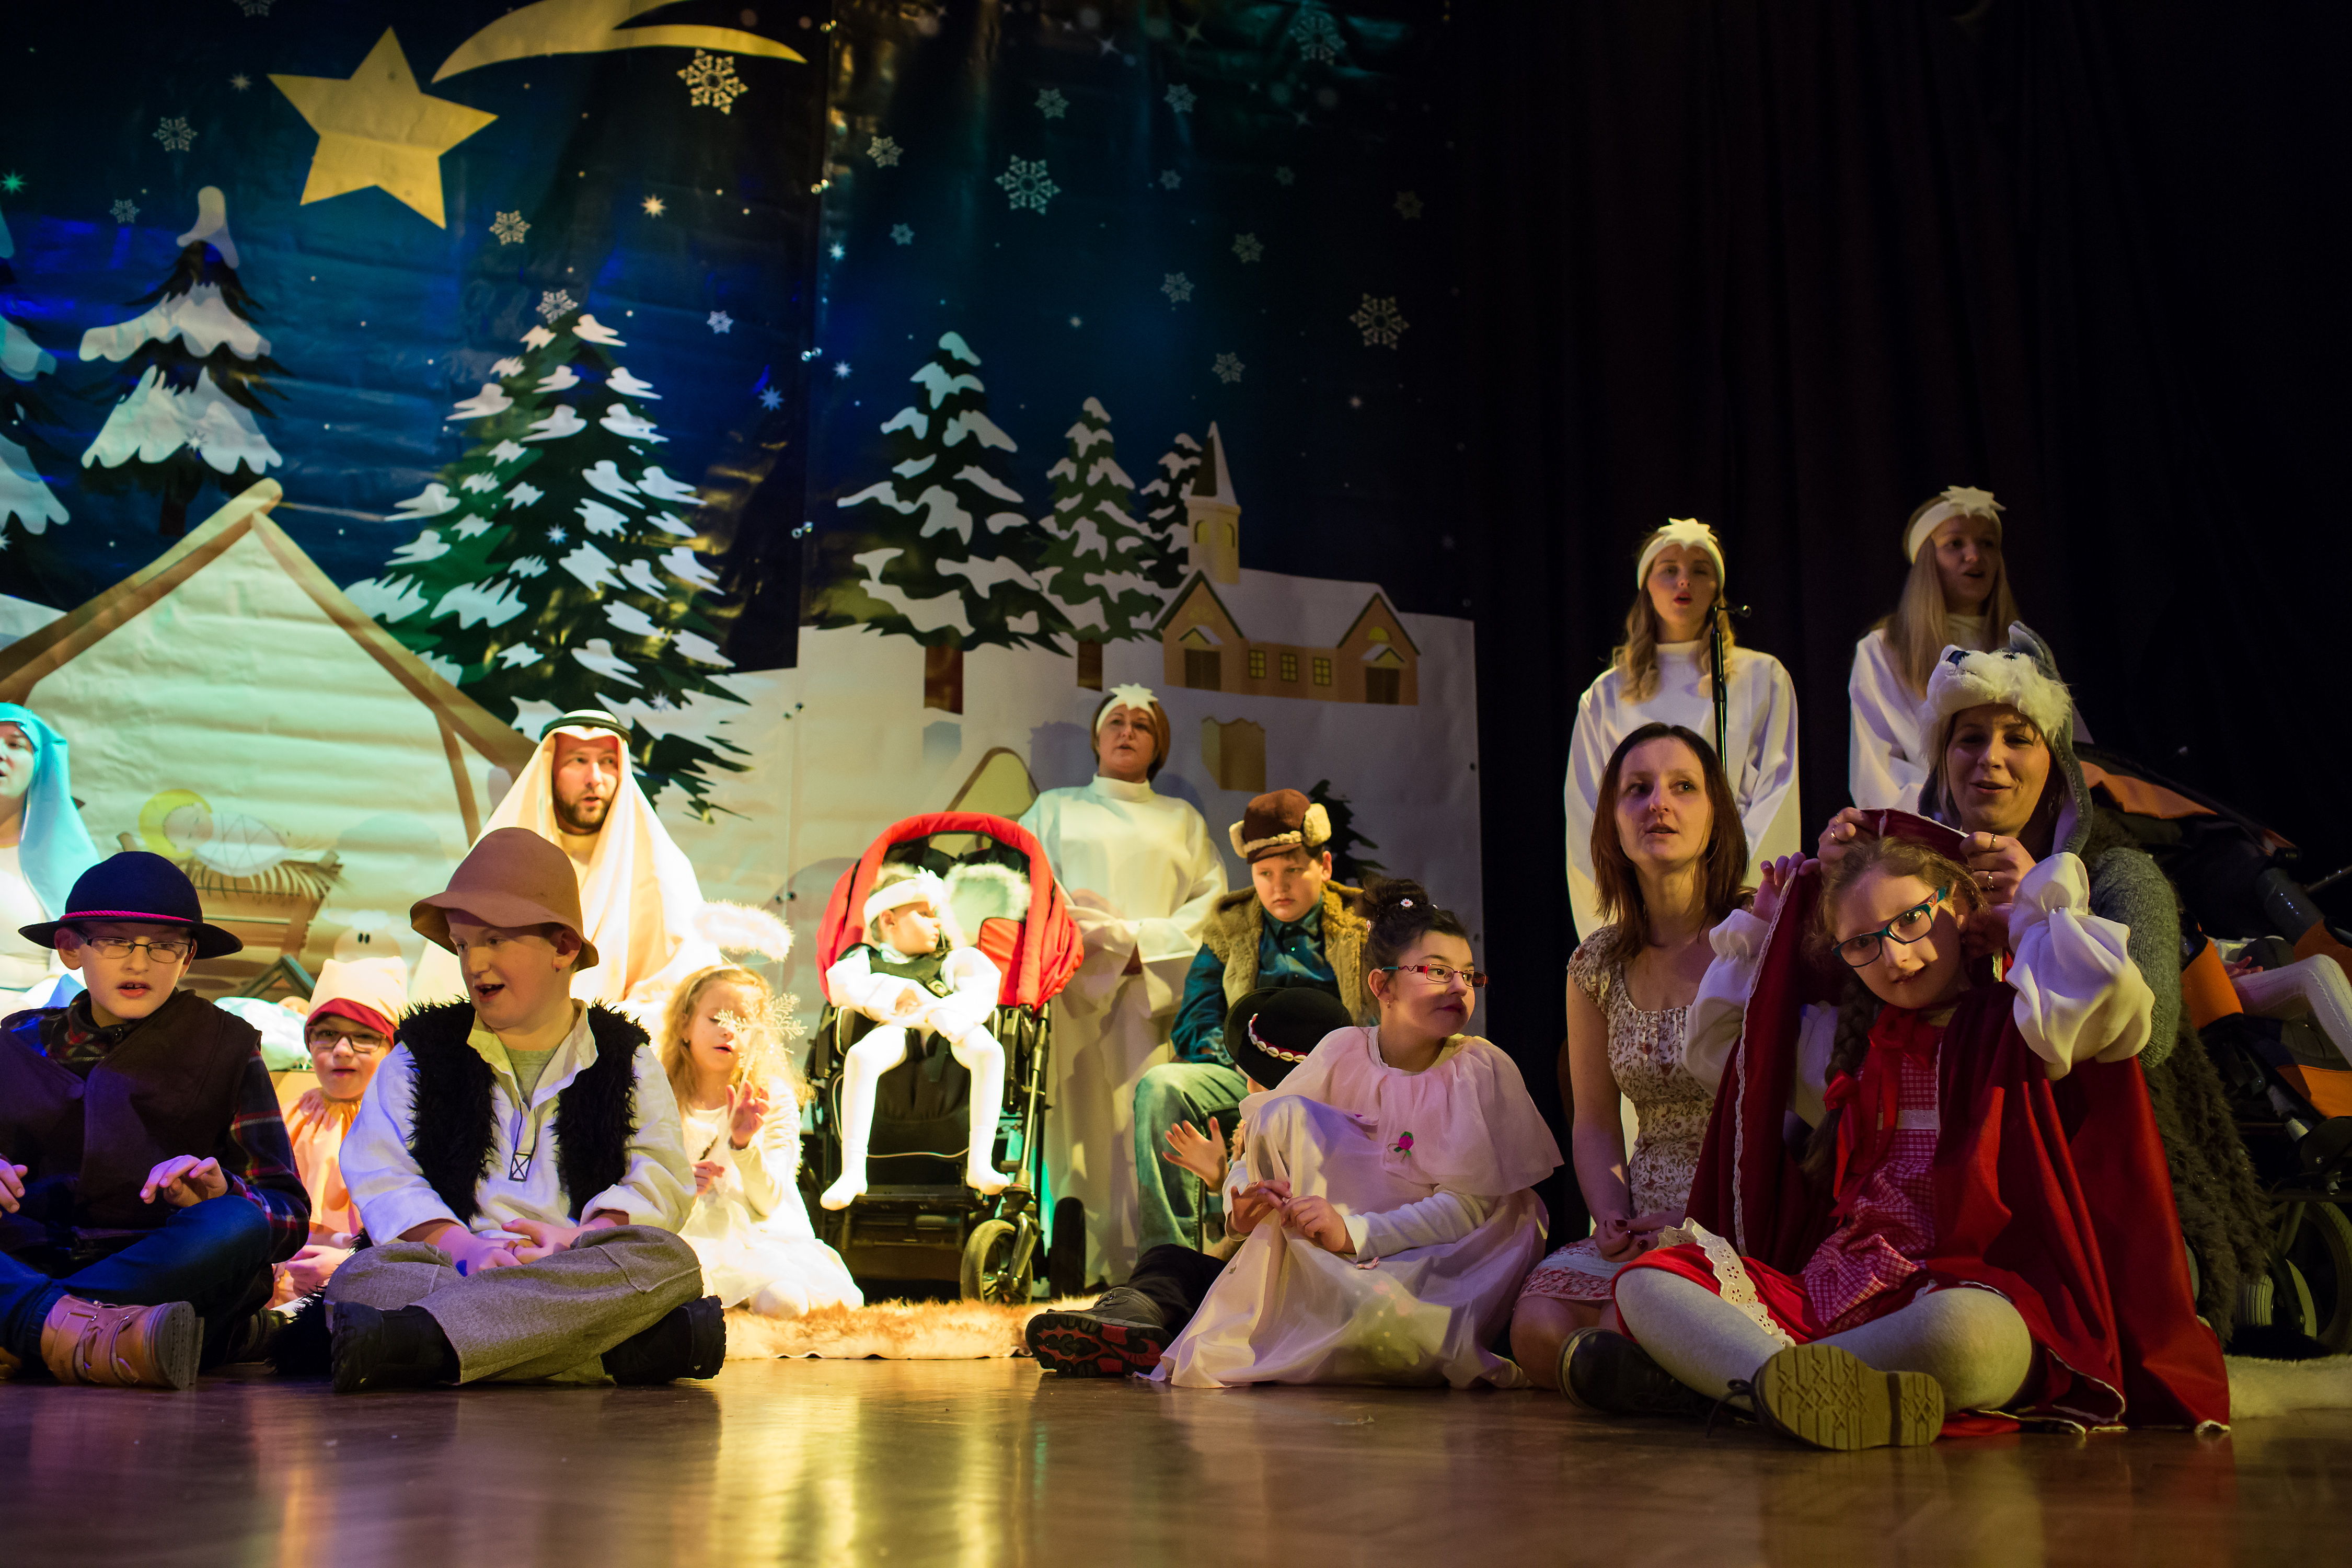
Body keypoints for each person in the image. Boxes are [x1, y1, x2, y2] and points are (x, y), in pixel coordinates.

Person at [1566, 831, 2228, 1448]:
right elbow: (1726, 1055)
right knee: (1647, 1281)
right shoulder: (1843, 1050)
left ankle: (1745, 1386)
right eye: (1862, 944)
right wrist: (1762, 933)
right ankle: (1795, 1389)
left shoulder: (2026, 1026)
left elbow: (2112, 1001)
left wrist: (2031, 915)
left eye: (1911, 920)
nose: (1895, 957)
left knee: (1969, 1335)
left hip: (1964, 1292)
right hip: (1839, 1295)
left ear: (1960, 905)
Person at [1820, 622, 2270, 1332]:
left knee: (2122, 1296)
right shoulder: (1903, 879)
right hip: (1933, 1175)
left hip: (2085, 1167)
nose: (1991, 760)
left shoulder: (2120, 875)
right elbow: (1840, 1012)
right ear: (1942, 761)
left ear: (2055, 761)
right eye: (1970, 739)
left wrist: (2045, 913)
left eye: (2018, 739)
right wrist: (1836, 884)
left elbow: (2148, 1044)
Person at [326, 827, 718, 1393]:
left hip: (574, 1264)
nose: (474, 962)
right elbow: (382, 1171)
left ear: (563, 948)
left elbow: (659, 1177)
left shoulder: (625, 1058)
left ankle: (419, 1343)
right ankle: (619, 1351)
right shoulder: (422, 1053)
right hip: (450, 1266)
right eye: (463, 944)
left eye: (494, 940)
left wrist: (577, 1241)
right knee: (362, 1277)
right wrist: (465, 1250)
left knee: (667, 1260)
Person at [1158, 881, 1561, 1389]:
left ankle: (1363, 1310)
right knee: (1284, 1114)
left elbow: (1466, 1210)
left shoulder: (1477, 1070)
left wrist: (1354, 1233)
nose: (1459, 988)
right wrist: (1239, 1204)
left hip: (1447, 1249)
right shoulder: (1342, 1052)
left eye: (1467, 974)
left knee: (1394, 1328)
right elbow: (1253, 1151)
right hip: (1346, 1240)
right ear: (1383, 986)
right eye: (1438, 971)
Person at [0, 852, 307, 1389]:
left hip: (160, 1273)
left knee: (235, 1225)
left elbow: (288, 1215)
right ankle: (85, 1336)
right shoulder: (17, 1043)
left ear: (187, 958)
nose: (139, 964)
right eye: (116, 942)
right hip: (28, 1260)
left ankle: (27, 1330)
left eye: (163, 946)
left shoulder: (228, 1049)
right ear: (71, 948)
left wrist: (223, 1192)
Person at [1511, 723, 1750, 1387]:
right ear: (1613, 823)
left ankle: (1706, 1378)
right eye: (1637, 790)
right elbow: (1594, 1122)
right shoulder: (1595, 963)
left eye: (1683, 787)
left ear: (1715, 816)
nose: (1658, 804)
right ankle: (1681, 1385)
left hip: (1736, 1212)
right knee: (1536, 1330)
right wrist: (1611, 1216)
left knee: (1625, 1327)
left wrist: (1695, 1221)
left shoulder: (1755, 939)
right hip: (1644, 1221)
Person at [1027, 985, 1355, 1377]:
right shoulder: (1254, 1135)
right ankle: (1132, 1321)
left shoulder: (1325, 1128)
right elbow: (1241, 1197)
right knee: (1171, 1262)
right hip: (1264, 1278)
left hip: (1303, 1284)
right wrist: (1233, 1199)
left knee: (1186, 1277)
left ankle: (1146, 1322)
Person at [1017, 685, 1225, 1284]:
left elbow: (1211, 909)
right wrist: (1097, 945)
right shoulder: (1053, 810)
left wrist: (1140, 948)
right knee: (1075, 1128)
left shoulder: (1184, 821)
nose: (1127, 731)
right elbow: (1031, 886)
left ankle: (1150, 1267)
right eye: (1116, 720)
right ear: (1096, 737)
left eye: (1142, 724)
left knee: (1143, 1125)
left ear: (1159, 745)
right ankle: (1072, 1265)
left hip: (1152, 1001)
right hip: (1072, 993)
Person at [1133, 788, 1371, 1258]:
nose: (1279, 887)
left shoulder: (1359, 925)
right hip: (1248, 1071)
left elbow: (1385, 1011)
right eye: (1265, 874)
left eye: (1292, 871)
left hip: (1335, 1079)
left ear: (1324, 866)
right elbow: (1197, 1015)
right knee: (1162, 1087)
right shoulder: (1230, 925)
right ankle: (1169, 1262)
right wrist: (1247, 1066)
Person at [1564, 520, 1800, 942]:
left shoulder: (1762, 677)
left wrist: (1740, 902)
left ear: (1717, 589)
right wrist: (1616, 925)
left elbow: (1777, 793)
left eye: (1700, 569)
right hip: (1641, 909)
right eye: (1669, 569)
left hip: (1734, 902)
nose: (1684, 580)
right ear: (1646, 587)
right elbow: (1589, 814)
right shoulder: (1606, 695)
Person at [411, 710, 719, 1024]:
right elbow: (447, 984)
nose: (595, 778)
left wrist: (584, 1030)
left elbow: (683, 999)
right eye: (579, 760)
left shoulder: (663, 868)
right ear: (551, 769)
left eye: (608, 762)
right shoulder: (499, 863)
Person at [661, 963, 861, 1319]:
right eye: (716, 1018)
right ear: (684, 1024)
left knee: (784, 1301)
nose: (728, 1031)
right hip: (682, 1235)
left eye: (743, 1023)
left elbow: (769, 1201)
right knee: (671, 1296)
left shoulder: (773, 1098)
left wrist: (743, 1144)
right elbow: (635, 1180)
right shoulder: (659, 1096)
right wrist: (680, 1183)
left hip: (759, 1238)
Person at [819, 869, 1011, 1208]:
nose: (936, 923)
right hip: (897, 1029)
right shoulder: (864, 959)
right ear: (889, 920)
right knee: (861, 1056)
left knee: (990, 1052)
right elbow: (842, 985)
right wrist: (900, 991)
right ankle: (853, 1171)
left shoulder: (952, 960)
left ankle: (980, 1163)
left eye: (935, 914)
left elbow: (981, 991)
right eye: (924, 914)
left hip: (947, 1028)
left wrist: (937, 1010)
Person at [1849, 486, 2030, 811]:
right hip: (1926, 821)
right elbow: (1877, 771)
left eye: (1987, 543)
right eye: (1955, 544)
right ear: (1926, 561)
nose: (1974, 556)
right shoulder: (1883, 650)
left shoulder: (2021, 648)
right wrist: (1949, 811)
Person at [271, 955, 411, 1306]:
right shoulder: (286, 1117)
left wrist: (351, 1265)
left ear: (392, 1046)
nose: (342, 1050)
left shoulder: (406, 1125)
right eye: (327, 1035)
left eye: (364, 1037)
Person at [0, 705, 102, 1012]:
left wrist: (18, 1014)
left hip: (28, 1015)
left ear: (40, 763)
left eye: (15, 744)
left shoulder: (72, 862)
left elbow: (79, 968)